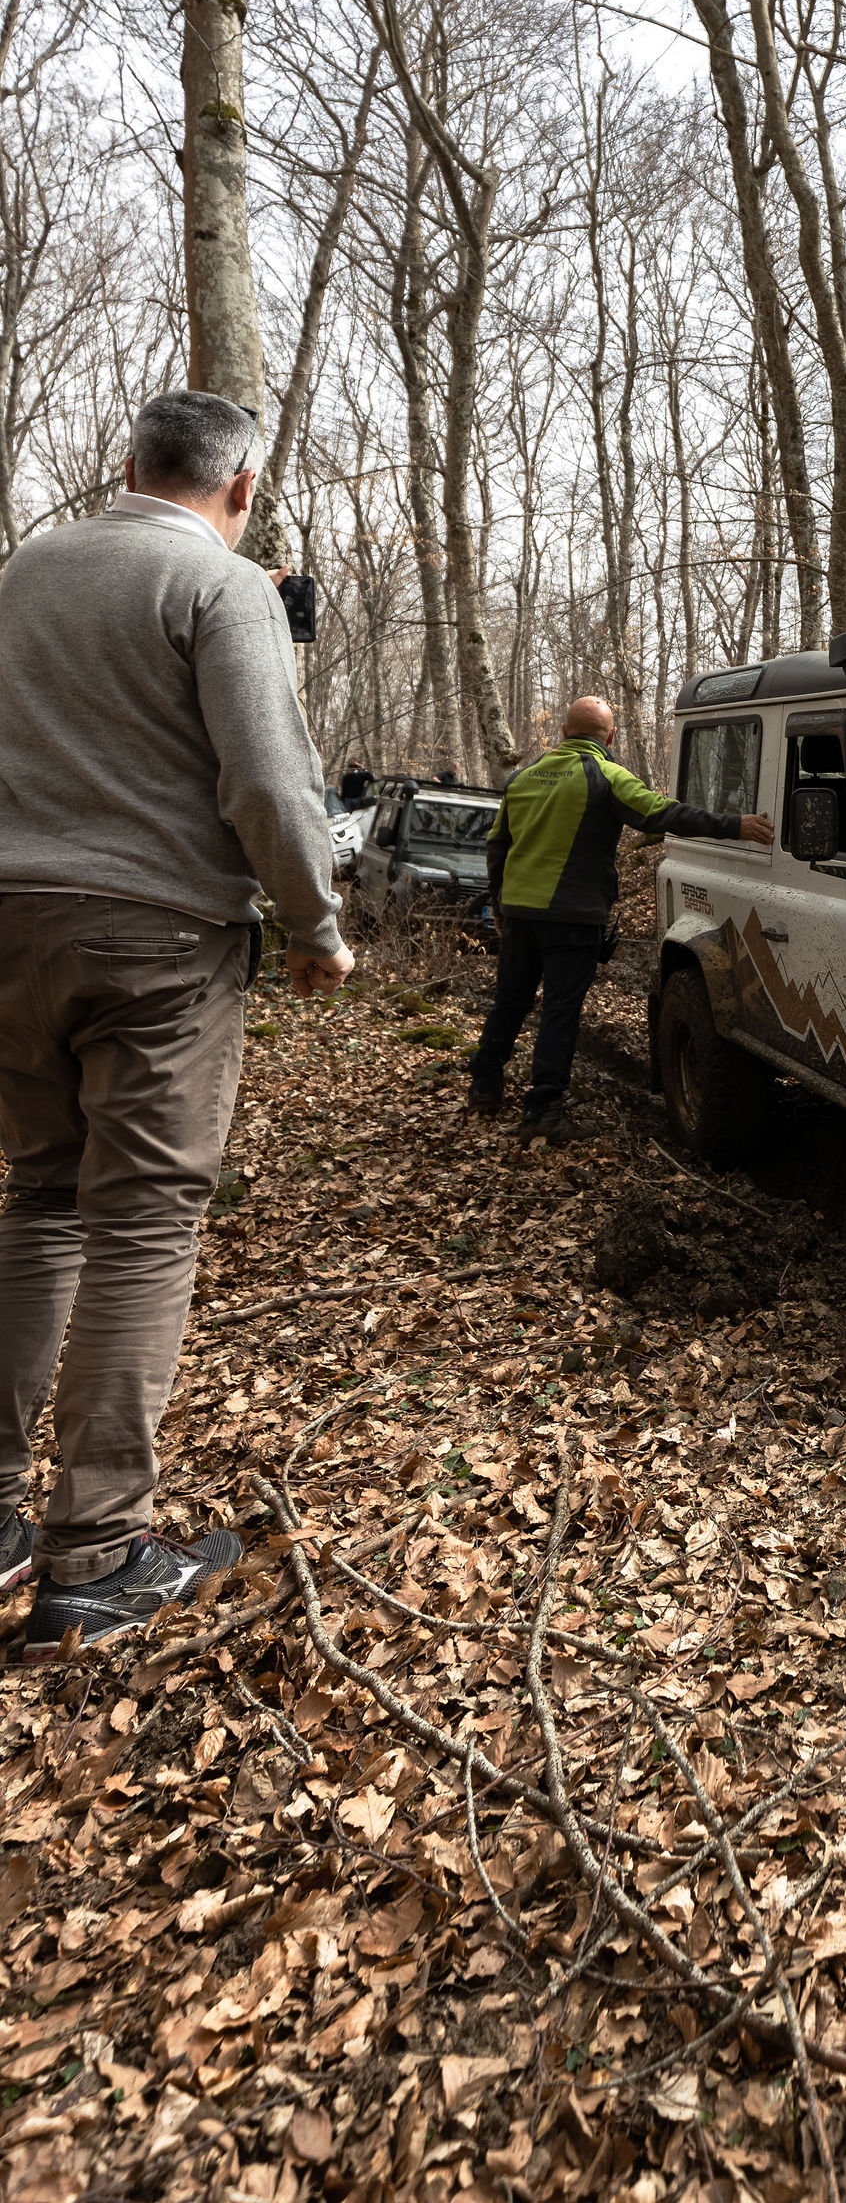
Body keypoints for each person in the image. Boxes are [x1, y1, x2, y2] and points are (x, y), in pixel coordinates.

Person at [0, 390, 354, 1659]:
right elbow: (266, 776)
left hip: (10, 923)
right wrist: (315, 922)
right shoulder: (225, 587)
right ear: (242, 487)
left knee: (42, 1195)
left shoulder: (25, 567)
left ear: (128, 464)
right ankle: (95, 1555)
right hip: (155, 932)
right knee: (143, 1215)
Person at [473, 696, 770, 1141]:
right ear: (610, 736)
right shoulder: (606, 774)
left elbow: (497, 846)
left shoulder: (523, 778)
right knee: (559, 1012)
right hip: (571, 919)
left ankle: (483, 1088)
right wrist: (735, 825)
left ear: (563, 732)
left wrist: (498, 908)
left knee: (510, 1001)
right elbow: (662, 813)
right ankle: (544, 1113)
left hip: (518, 913)